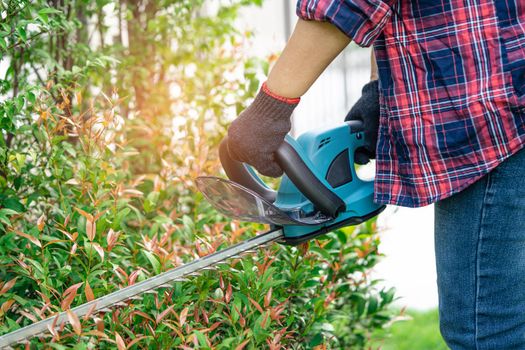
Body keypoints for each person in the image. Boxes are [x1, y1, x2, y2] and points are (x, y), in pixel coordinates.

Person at [226, 0, 525, 349]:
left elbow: (346, 5)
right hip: (508, 94)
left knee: (484, 332)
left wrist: (270, 108)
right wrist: (379, 91)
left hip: (495, 120)